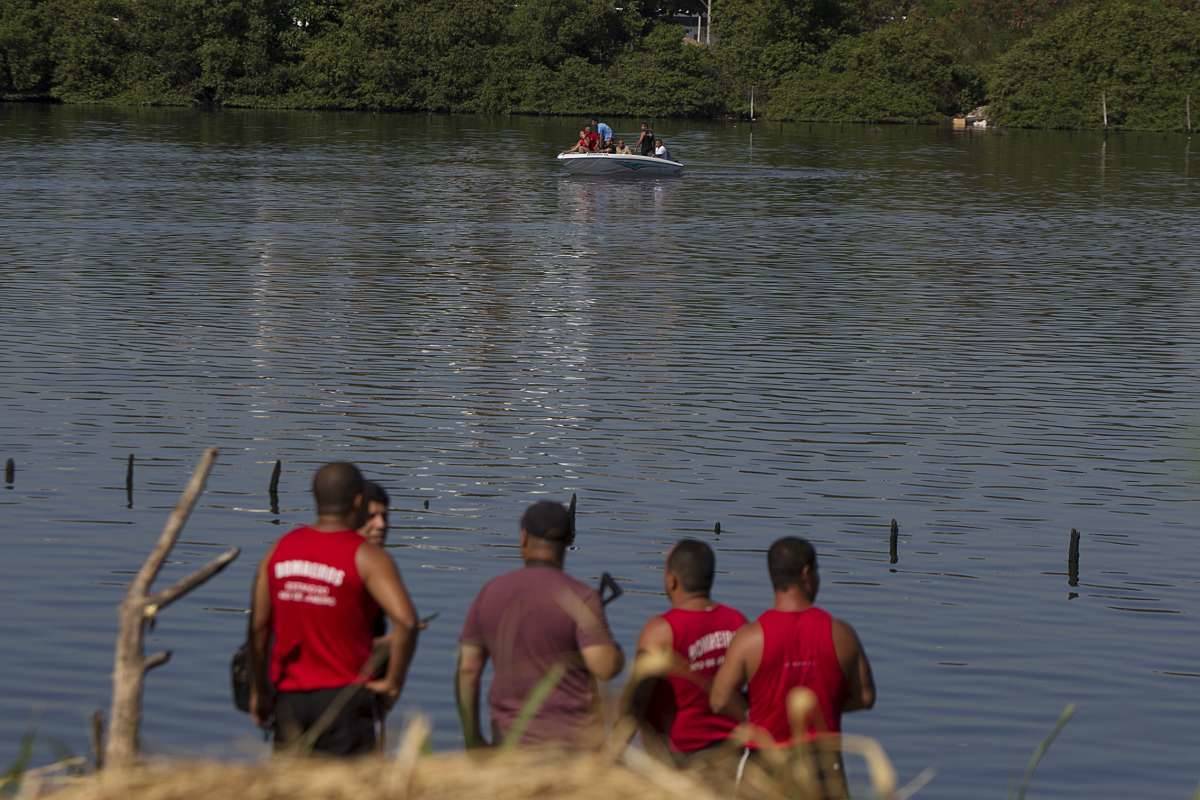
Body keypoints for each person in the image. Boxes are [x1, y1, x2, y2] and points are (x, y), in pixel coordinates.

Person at [249, 462, 419, 756]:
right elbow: (406, 622)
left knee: (289, 779)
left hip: (289, 698)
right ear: (358, 501)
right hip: (346, 700)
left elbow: (258, 627)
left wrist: (259, 691)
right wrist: (393, 683)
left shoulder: (279, 550)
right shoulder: (367, 556)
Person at [710, 537, 875, 792]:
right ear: (807, 574)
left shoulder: (750, 639)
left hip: (765, 767)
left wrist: (757, 710)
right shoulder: (841, 635)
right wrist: (824, 707)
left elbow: (719, 700)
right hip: (824, 770)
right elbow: (865, 697)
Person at [456, 500, 624, 749]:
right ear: (568, 541)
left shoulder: (491, 592)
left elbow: (468, 670)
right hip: (573, 749)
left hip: (509, 744)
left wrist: (473, 738)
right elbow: (604, 668)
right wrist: (615, 651)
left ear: (523, 537)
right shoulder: (581, 598)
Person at [634, 540, 747, 765]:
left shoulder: (660, 631)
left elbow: (635, 703)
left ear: (672, 580)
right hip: (732, 752)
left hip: (678, 755)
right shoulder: (739, 623)